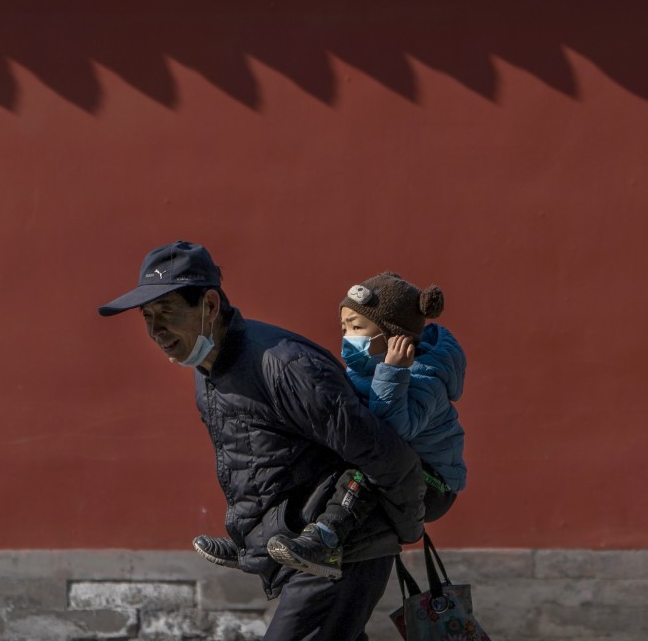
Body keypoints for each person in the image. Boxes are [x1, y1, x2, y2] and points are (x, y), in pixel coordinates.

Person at [98, 241, 425, 641]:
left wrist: (407, 528)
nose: (156, 330)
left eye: (167, 312)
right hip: (295, 554)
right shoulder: (206, 370)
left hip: (338, 552)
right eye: (147, 316)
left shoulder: (284, 366)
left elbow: (384, 454)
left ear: (210, 306)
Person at [266, 272, 467, 579]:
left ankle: (326, 540)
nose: (349, 336)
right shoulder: (365, 370)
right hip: (398, 463)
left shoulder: (425, 379)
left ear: (394, 336)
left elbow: (391, 433)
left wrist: (393, 372)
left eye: (358, 327)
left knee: (370, 464)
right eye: (345, 327)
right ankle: (261, 541)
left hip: (434, 483)